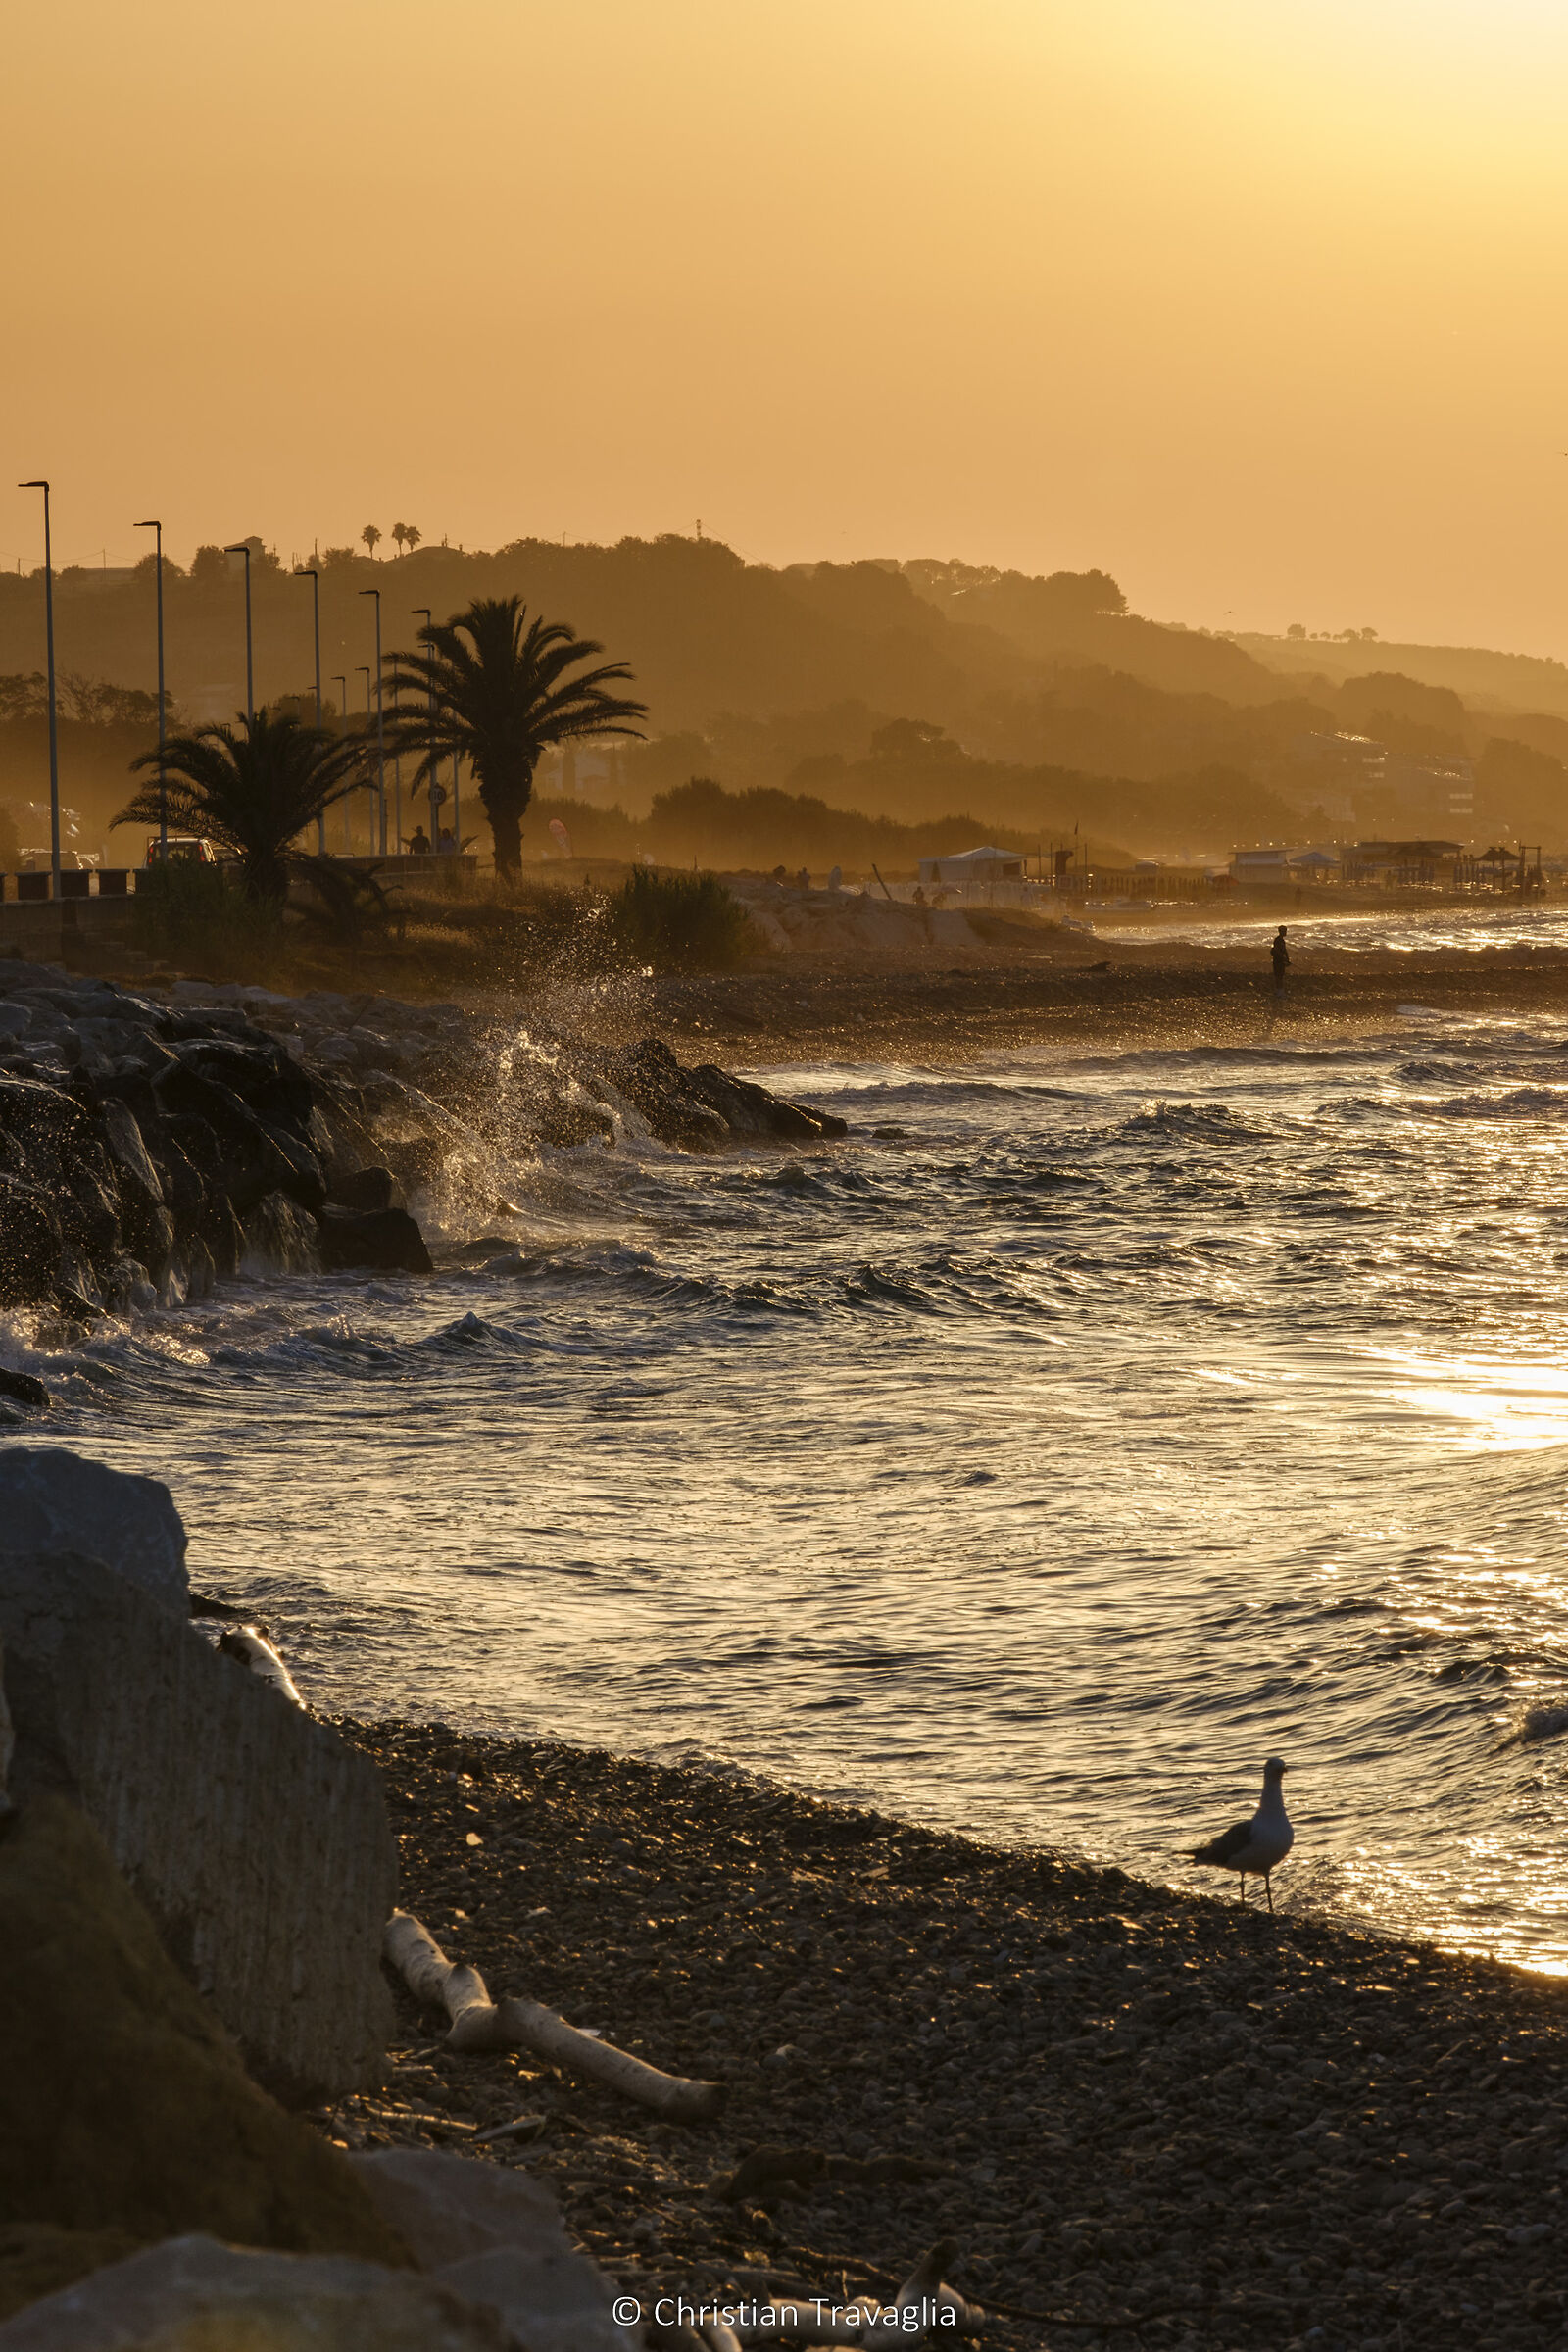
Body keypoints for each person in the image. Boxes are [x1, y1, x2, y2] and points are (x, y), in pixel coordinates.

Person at [1271, 924, 1290, 998]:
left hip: (1280, 961)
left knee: (1279, 976)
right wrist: (1284, 959)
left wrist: (1287, 959)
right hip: (1278, 961)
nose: (1285, 932)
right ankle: (1280, 992)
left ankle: (1278, 991)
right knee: (1279, 976)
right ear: (1280, 931)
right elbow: (1278, 951)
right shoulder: (1278, 940)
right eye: (1284, 931)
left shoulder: (1280, 940)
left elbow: (1284, 951)